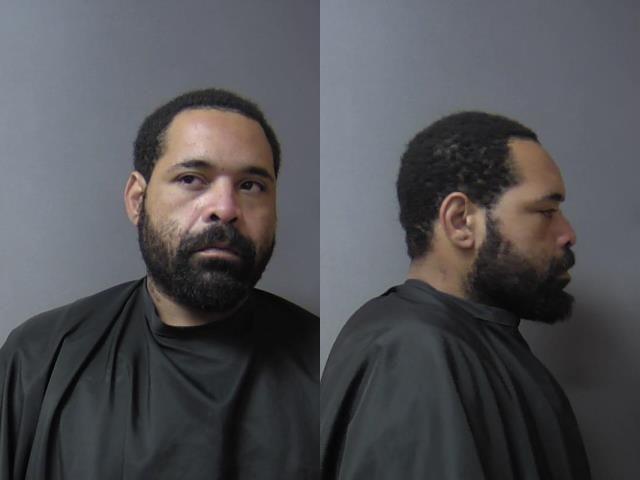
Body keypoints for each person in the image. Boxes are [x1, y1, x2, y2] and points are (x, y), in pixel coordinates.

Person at [0, 88, 318, 480]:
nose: (225, 208)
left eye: (250, 185)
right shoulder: (39, 360)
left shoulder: (324, 368)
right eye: (191, 179)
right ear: (138, 199)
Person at [321, 112, 591, 479]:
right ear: (461, 221)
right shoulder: (411, 351)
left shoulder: (477, 340)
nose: (568, 234)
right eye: (546, 211)